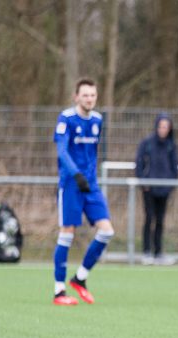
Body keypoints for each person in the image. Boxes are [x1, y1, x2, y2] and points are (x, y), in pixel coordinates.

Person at [51, 78, 114, 306]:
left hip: (91, 185)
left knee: (106, 231)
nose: (89, 99)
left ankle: (80, 278)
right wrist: (76, 174)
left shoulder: (98, 120)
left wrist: (89, 176)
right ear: (76, 97)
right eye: (85, 95)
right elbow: (62, 150)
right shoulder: (66, 118)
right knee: (67, 233)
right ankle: (59, 291)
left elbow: (92, 152)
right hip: (71, 184)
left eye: (93, 95)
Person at [135, 113, 178, 266]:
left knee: (160, 220)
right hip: (149, 189)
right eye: (161, 126)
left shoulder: (170, 145)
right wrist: (143, 182)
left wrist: (171, 183)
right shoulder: (147, 143)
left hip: (164, 189)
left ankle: (158, 252)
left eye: (166, 127)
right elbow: (139, 163)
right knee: (149, 219)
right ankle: (146, 252)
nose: (163, 129)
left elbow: (175, 166)